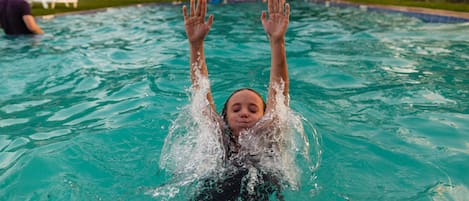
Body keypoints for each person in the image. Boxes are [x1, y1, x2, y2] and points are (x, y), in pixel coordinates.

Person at [182, 0, 290, 200]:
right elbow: (201, 94)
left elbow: (279, 92)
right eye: (236, 109)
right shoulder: (218, 138)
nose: (244, 113)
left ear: (264, 115)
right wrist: (196, 45)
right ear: (225, 116)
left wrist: (277, 42)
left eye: (252, 109)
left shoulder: (267, 137)